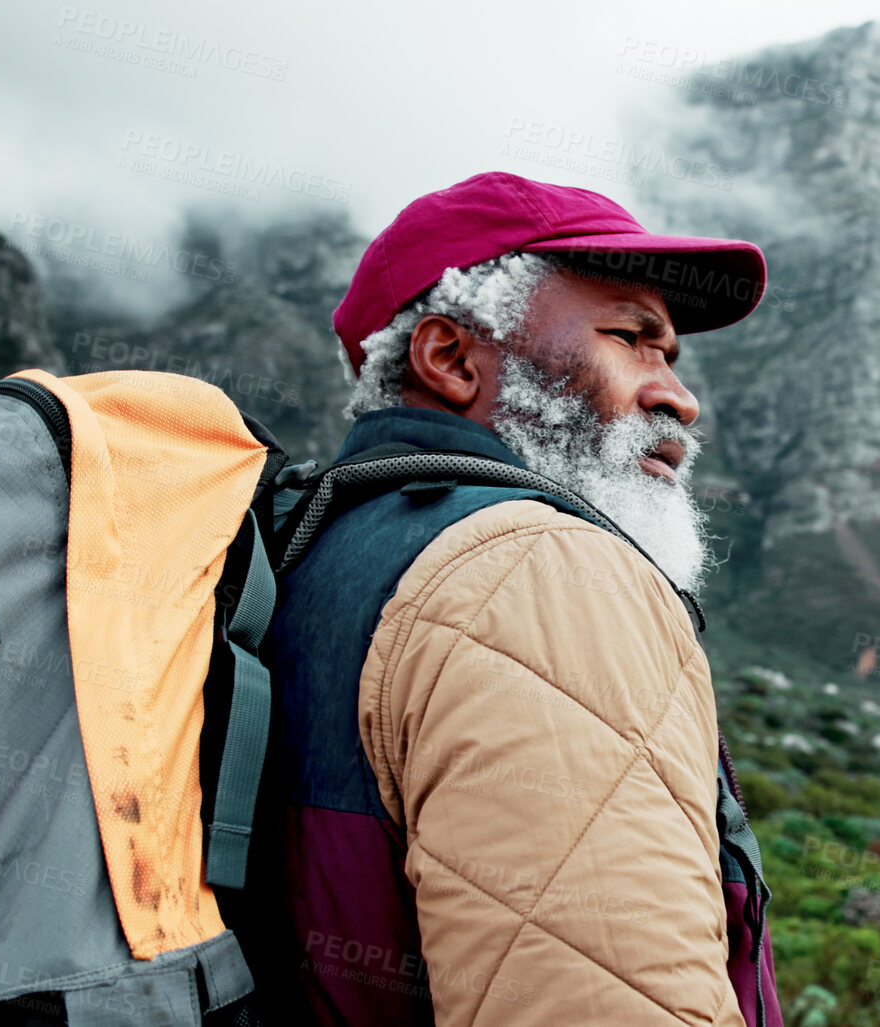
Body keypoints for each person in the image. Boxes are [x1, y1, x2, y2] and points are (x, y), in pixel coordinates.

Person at [259, 171, 782, 1025]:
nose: (677, 397)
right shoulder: (539, 569)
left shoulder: (316, 546)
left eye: (670, 355)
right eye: (630, 337)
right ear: (451, 359)